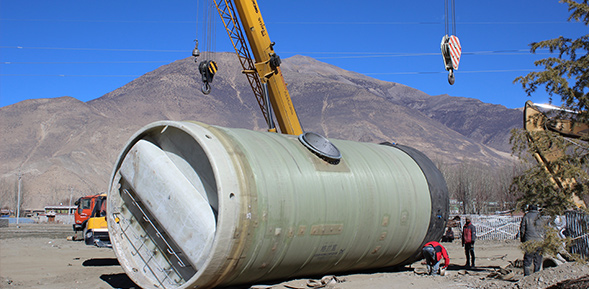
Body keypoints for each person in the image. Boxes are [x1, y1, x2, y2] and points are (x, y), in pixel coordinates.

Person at [520, 204, 545, 276]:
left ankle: (527, 276)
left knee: (528, 259)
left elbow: (522, 229)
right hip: (540, 241)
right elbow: (545, 229)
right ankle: (536, 275)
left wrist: (523, 239)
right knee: (538, 259)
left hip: (529, 240)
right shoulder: (541, 217)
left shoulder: (526, 216)